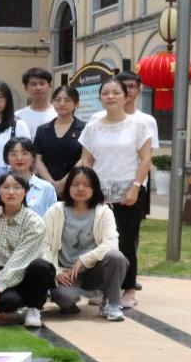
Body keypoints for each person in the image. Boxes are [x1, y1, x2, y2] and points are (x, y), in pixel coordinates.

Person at [77, 77, 152, 309]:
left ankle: (128, 289)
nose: (110, 97)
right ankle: (102, 287)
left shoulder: (139, 125)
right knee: (99, 241)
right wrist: (90, 189)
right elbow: (87, 159)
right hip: (100, 194)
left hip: (129, 193)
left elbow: (146, 159)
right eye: (105, 93)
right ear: (100, 98)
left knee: (126, 241)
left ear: (126, 96)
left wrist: (135, 187)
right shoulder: (92, 127)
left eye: (116, 92)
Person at [44, 166, 128, 322]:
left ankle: (111, 303)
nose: (81, 189)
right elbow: (44, 245)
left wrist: (83, 261)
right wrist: (56, 272)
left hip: (94, 269)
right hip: (67, 273)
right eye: (75, 184)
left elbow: (111, 243)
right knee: (64, 298)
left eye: (87, 185)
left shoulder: (104, 211)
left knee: (116, 257)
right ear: (68, 186)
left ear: (95, 188)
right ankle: (69, 303)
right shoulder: (55, 211)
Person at [0, 172, 55, 329]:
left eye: (17, 187)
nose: (11, 192)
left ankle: (35, 308)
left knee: (41, 266)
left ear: (26, 192)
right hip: (1, 272)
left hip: (28, 273)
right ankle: (18, 305)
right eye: (5, 187)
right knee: (7, 303)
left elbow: (20, 260)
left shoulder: (34, 222)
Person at [0, 137, 58, 216]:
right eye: (13, 154)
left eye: (25, 153)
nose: (19, 158)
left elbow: (53, 220)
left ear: (33, 157)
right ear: (6, 158)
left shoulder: (47, 188)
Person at [33, 84, 87, 191]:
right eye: (57, 100)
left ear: (77, 103)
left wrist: (63, 183)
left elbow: (84, 158)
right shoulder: (42, 130)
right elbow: (37, 159)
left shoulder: (85, 128)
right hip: (45, 186)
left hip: (75, 185)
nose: (62, 104)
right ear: (52, 102)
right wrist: (51, 184)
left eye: (67, 100)